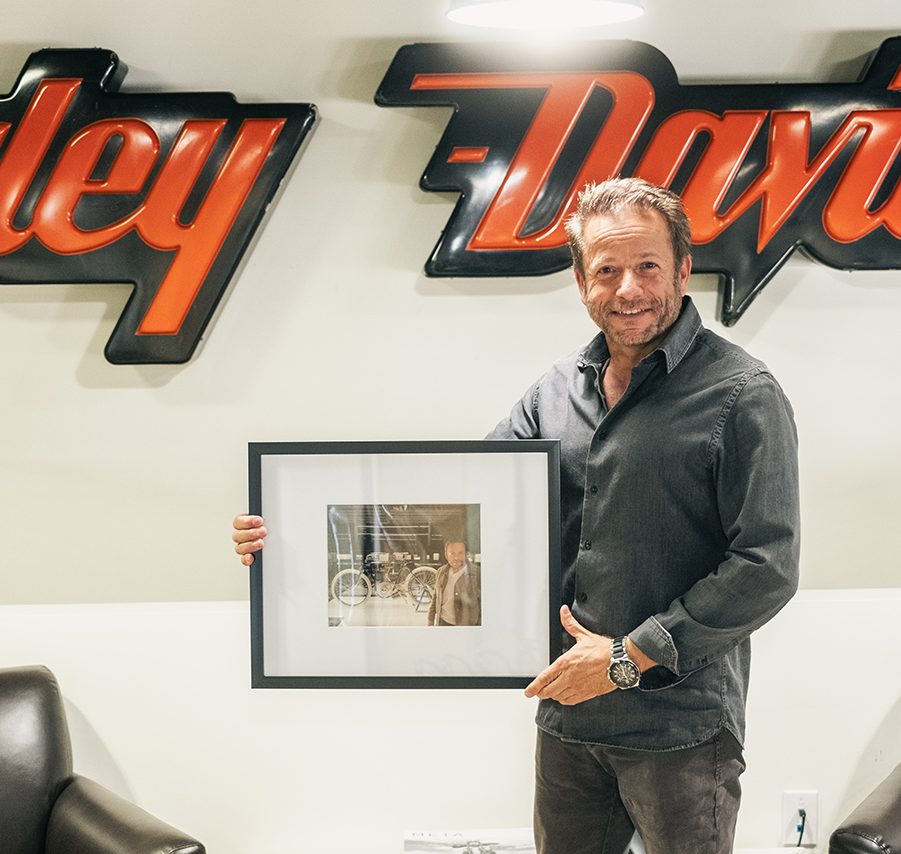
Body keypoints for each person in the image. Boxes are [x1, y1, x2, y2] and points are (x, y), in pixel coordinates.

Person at [233, 177, 799, 854]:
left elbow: (766, 566)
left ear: (682, 269)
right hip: (569, 717)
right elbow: (470, 505)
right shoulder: (555, 392)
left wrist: (626, 658)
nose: (628, 289)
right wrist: (293, 534)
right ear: (581, 281)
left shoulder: (741, 394)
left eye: (648, 266)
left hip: (678, 728)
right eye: (607, 270)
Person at [428, 540, 481, 627]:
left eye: (460, 553)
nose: (456, 557)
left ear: (466, 555)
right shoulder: (441, 571)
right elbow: (436, 596)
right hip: (443, 622)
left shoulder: (477, 574)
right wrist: (431, 618)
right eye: (452, 553)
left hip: (466, 625)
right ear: (446, 555)